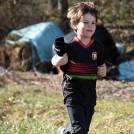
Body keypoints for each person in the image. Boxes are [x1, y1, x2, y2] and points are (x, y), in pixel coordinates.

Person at [51, 2, 106, 134]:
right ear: (75, 25)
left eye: (93, 23)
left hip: (90, 94)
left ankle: (64, 132)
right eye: (85, 22)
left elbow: (102, 67)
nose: (90, 26)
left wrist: (103, 70)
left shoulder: (98, 47)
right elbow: (55, 61)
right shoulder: (69, 44)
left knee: (82, 130)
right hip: (73, 93)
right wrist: (60, 58)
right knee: (79, 130)